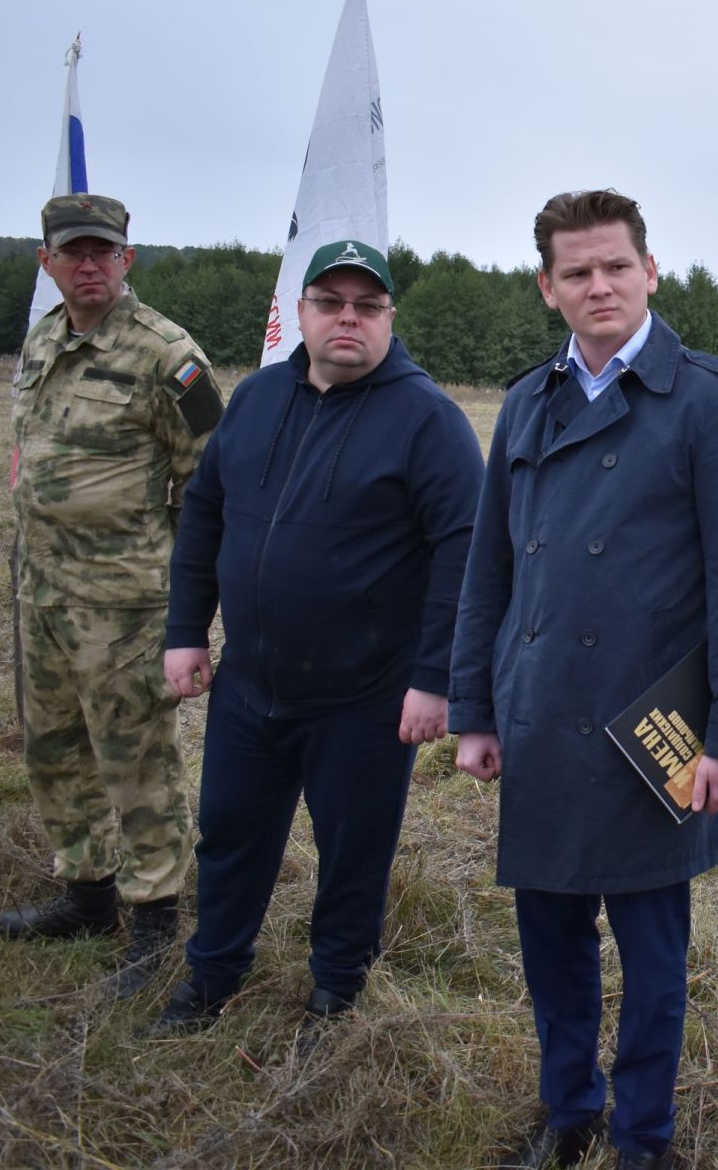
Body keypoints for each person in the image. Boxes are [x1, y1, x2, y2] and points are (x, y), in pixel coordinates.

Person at [448, 190, 718, 1170]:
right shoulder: (525, 403)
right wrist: (475, 706)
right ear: (549, 286)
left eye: (616, 266)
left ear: (651, 271)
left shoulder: (711, 406)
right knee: (550, 937)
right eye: (578, 271)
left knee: (651, 953)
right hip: (542, 711)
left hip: (653, 731)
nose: (600, 285)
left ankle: (644, 1137)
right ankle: (567, 1110)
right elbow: (489, 573)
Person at [146, 240, 483, 1032]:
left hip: (365, 696)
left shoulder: (428, 421)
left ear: (388, 319)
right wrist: (185, 630)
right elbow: (204, 515)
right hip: (249, 684)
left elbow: (465, 554)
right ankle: (212, 976)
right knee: (228, 835)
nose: (347, 318)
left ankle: (335, 990)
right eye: (330, 302)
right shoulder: (258, 400)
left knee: (353, 854)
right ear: (298, 313)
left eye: (366, 306)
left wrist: (435, 680)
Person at [0, 193, 224, 999]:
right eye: (73, 253)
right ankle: (85, 894)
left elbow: (209, 481)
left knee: (135, 762)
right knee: (53, 749)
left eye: (103, 252)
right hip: (43, 595)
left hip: (126, 606)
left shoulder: (168, 355)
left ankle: (155, 916)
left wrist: (168, 580)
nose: (88, 266)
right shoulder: (44, 339)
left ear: (127, 259)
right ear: (47, 262)